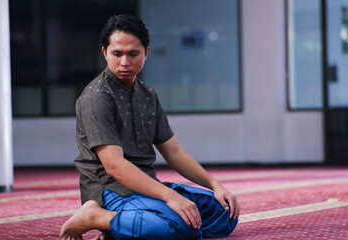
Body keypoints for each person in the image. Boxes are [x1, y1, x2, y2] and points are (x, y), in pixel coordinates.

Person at [59, 14, 240, 240]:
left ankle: (125, 226)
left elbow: (174, 152)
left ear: (146, 52)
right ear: (105, 53)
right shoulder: (97, 97)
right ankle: (98, 217)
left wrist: (215, 185)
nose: (125, 62)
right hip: (112, 191)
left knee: (225, 212)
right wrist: (169, 196)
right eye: (117, 54)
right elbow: (114, 166)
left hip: (147, 187)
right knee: (182, 229)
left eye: (133, 54)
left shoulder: (147, 94)